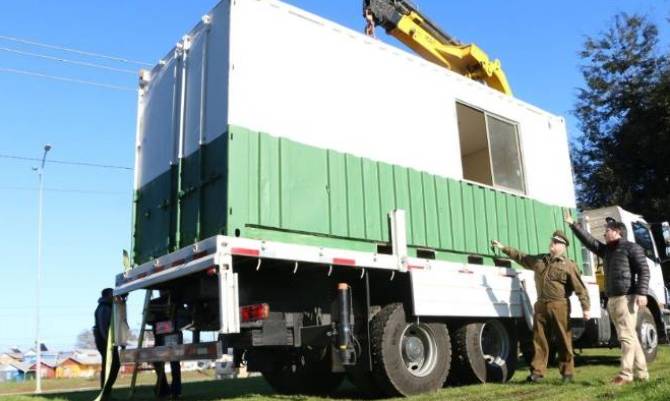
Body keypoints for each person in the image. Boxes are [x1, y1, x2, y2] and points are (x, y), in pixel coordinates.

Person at [492, 230, 590, 384]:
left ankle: (567, 374)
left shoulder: (569, 265)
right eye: (552, 240)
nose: (553, 243)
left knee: (563, 340)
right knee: (539, 340)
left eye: (556, 242)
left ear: (563, 246)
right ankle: (537, 373)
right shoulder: (539, 260)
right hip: (541, 305)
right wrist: (503, 247)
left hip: (560, 305)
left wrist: (586, 307)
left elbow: (580, 288)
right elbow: (521, 257)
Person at [565, 212, 650, 385]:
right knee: (630, 336)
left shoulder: (632, 248)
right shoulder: (607, 251)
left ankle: (626, 375)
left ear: (618, 231)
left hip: (627, 298)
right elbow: (590, 241)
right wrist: (574, 225)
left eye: (607, 230)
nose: (604, 234)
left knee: (625, 337)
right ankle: (642, 374)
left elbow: (644, 270)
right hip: (613, 299)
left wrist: (641, 293)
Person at [148, 290, 183, 399]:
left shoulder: (154, 302)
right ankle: (173, 390)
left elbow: (148, 320)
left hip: (161, 334)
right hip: (172, 334)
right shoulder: (176, 301)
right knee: (174, 363)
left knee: (160, 362)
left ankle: (164, 389)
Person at [93, 288, 120, 397]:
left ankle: (106, 392)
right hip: (106, 342)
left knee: (112, 366)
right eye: (112, 294)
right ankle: (105, 393)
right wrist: (109, 342)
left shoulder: (108, 307)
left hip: (108, 341)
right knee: (111, 366)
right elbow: (103, 327)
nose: (114, 296)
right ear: (107, 296)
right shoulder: (104, 308)